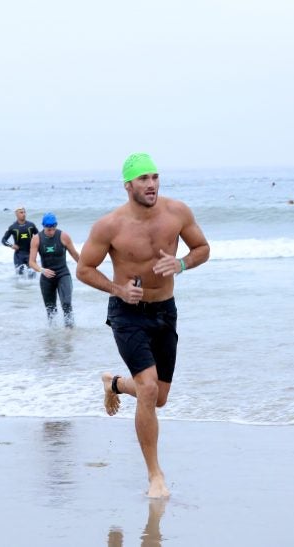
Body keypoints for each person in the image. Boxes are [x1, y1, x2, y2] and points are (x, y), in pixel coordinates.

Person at [76, 152, 210, 498]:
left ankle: (114, 384)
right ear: (128, 186)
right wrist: (118, 289)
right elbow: (84, 269)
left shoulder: (177, 212)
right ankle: (155, 476)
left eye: (155, 177)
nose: (151, 184)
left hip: (165, 310)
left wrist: (181, 264)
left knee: (159, 397)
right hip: (127, 313)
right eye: (143, 179)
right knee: (148, 389)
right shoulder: (109, 226)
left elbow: (202, 248)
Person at [29, 212, 80, 327]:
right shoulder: (36, 239)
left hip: (63, 274)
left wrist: (86, 268)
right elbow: (31, 262)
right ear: (43, 226)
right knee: (51, 310)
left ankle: (70, 331)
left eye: (53, 228)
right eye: (48, 229)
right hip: (46, 278)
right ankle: (53, 334)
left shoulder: (63, 236)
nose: (51, 232)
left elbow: (75, 255)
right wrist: (42, 270)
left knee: (66, 304)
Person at [1, 206, 38, 275]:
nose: (24, 214)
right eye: (21, 212)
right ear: (16, 214)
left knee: (32, 276)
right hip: (18, 255)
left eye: (24, 212)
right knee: (20, 277)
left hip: (30, 254)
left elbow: (39, 237)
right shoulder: (12, 227)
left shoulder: (31, 225)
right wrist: (11, 245)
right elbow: (3, 240)